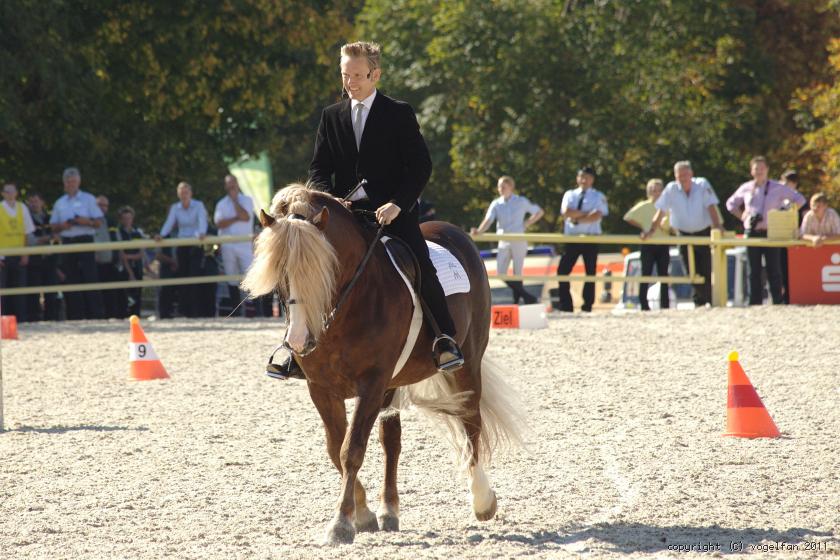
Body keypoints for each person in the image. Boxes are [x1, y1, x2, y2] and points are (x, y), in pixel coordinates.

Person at [276, 40, 463, 380]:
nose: (350, 82)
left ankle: (443, 338)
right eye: (345, 75)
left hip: (392, 213)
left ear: (375, 74)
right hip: (344, 216)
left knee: (421, 265)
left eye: (357, 76)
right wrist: (331, 200)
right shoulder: (331, 116)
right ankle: (293, 347)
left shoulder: (399, 113)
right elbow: (319, 168)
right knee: (301, 268)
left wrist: (397, 204)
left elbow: (420, 167)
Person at [726, 156, 806, 305]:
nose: (759, 171)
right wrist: (742, 216)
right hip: (752, 231)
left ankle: (777, 301)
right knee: (753, 270)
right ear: (751, 171)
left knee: (774, 269)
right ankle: (754, 302)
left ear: (767, 169)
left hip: (771, 231)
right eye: (756, 168)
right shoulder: (746, 188)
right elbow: (730, 204)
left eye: (762, 168)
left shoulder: (777, 187)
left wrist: (784, 212)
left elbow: (800, 200)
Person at [643, 161, 722, 307]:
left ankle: (707, 300)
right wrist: (651, 230)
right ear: (675, 176)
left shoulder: (702, 185)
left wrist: (717, 227)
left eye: (685, 174)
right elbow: (661, 212)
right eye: (680, 175)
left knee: (705, 268)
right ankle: (702, 300)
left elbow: (711, 207)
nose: (683, 178)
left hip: (702, 233)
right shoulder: (671, 189)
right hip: (683, 234)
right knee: (689, 270)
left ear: (691, 173)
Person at [471, 175, 544, 304]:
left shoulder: (521, 201)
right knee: (501, 272)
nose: (500, 189)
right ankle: (528, 297)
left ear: (511, 187)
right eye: (499, 186)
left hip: (518, 239)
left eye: (503, 186)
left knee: (517, 272)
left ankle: (517, 302)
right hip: (503, 240)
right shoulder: (496, 203)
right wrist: (479, 231)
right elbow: (488, 220)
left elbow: (538, 212)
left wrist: (526, 224)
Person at [49, 167, 105, 320]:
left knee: (90, 276)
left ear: (79, 182)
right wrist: (63, 226)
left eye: (73, 181)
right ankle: (75, 315)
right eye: (68, 181)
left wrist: (85, 221)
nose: (71, 184)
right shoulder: (59, 203)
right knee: (71, 278)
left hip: (85, 240)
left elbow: (99, 222)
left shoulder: (89, 199)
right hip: (68, 241)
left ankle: (96, 314)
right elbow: (53, 225)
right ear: (64, 183)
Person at [554, 166, 608, 312]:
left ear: (592, 180)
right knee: (562, 271)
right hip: (572, 239)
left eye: (587, 177)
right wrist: (586, 216)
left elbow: (597, 215)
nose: (584, 180)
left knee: (590, 272)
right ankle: (566, 305)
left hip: (591, 239)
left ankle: (587, 305)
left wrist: (577, 218)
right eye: (581, 177)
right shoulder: (569, 194)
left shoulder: (598, 196)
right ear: (577, 178)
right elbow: (566, 212)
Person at [155, 181, 208, 318]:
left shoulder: (199, 205)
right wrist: (161, 235)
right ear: (178, 194)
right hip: (182, 245)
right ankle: (185, 311)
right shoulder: (175, 208)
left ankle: (196, 312)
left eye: (186, 192)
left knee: (194, 277)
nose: (184, 195)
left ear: (191, 193)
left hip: (196, 244)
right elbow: (169, 223)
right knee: (183, 277)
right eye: (181, 192)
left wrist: (202, 232)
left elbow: (202, 222)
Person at [624, 179, 670, 310]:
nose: (655, 193)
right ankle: (643, 304)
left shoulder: (667, 207)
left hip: (663, 244)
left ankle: (665, 305)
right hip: (648, 245)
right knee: (646, 274)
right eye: (652, 190)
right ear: (648, 192)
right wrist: (643, 227)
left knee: (664, 276)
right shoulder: (644, 206)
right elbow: (628, 217)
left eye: (658, 190)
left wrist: (668, 228)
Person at [213, 174, 255, 316]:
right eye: (228, 184)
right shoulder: (221, 204)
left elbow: (246, 217)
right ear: (225, 186)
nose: (231, 186)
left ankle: (251, 312)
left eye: (233, 183)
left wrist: (235, 201)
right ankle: (235, 312)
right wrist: (236, 218)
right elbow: (219, 223)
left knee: (249, 276)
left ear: (237, 184)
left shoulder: (247, 200)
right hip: (228, 244)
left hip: (244, 244)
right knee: (231, 278)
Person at [0, 182, 36, 321]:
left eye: (12, 191)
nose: (10, 194)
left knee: (20, 289)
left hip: (19, 255)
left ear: (16, 193)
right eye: (7, 191)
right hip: (2, 256)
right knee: (2, 291)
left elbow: (27, 233)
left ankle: (21, 319)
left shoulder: (22, 208)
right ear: (2, 193)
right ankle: (2, 320)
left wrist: (25, 253)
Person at [25, 192, 60, 321]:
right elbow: (30, 241)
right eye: (31, 201)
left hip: (50, 259)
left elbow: (57, 239)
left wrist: (52, 240)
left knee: (51, 292)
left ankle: (52, 318)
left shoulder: (51, 219)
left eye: (36, 201)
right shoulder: (26, 219)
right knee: (33, 293)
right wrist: (47, 238)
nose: (34, 204)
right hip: (34, 260)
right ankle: (33, 319)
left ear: (42, 203)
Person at [779, 169, 808, 304]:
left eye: (787, 182)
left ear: (795, 184)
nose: (784, 185)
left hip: (795, 239)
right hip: (780, 238)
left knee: (792, 270)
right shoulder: (778, 198)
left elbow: (806, 219)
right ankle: (781, 298)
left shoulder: (800, 199)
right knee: (779, 268)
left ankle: (792, 297)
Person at [115, 206, 147, 317]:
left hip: (137, 268)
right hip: (125, 270)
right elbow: (121, 255)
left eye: (129, 218)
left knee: (137, 297)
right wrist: (130, 273)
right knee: (125, 298)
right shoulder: (118, 232)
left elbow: (142, 253)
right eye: (124, 218)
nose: (127, 220)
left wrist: (130, 256)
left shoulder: (138, 232)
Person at [93, 195, 120, 318]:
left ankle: (112, 316)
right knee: (97, 294)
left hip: (111, 263)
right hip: (96, 264)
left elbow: (118, 242)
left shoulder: (111, 222)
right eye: (100, 205)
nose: (103, 208)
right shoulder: (90, 222)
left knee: (112, 294)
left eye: (105, 205)